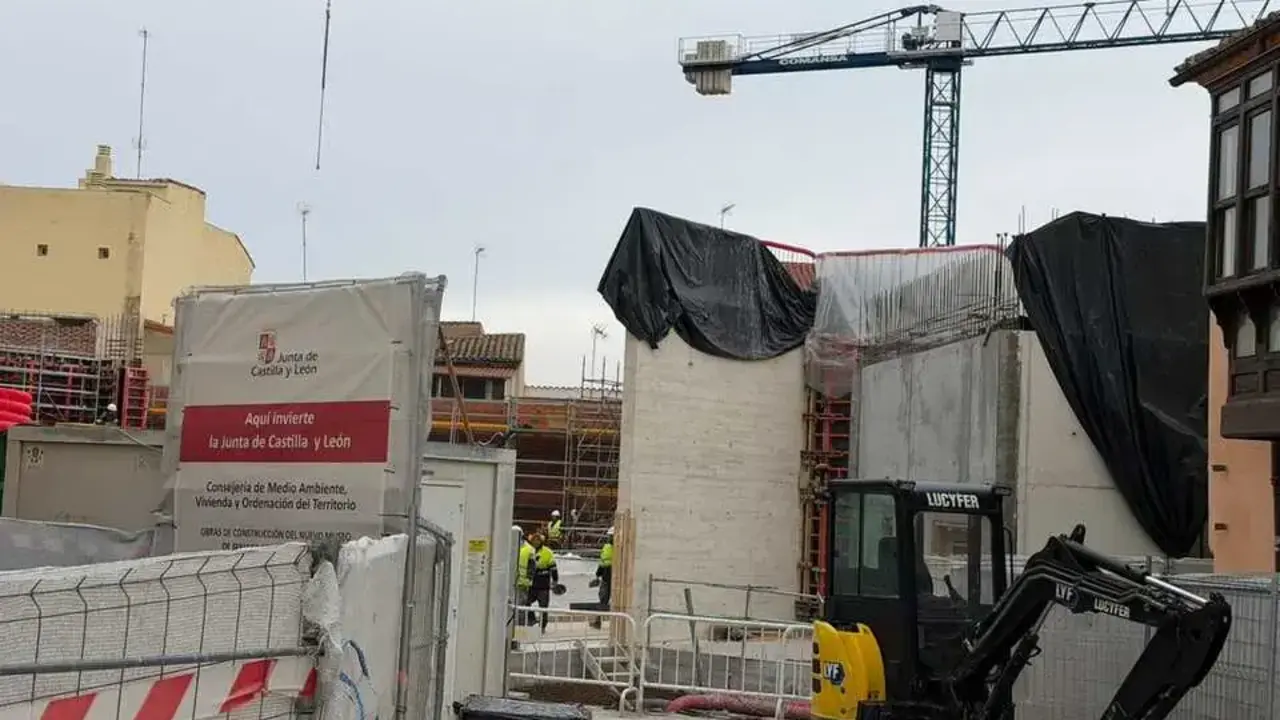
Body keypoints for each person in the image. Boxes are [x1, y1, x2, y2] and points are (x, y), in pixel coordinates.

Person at [526, 532, 559, 632]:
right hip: (530, 584)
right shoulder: (527, 551)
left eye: (538, 540)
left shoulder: (548, 552)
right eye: (534, 540)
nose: (536, 542)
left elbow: (553, 568)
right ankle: (531, 620)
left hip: (543, 585)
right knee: (525, 603)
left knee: (543, 608)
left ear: (541, 541)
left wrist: (555, 580)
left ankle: (542, 626)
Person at [588, 526, 614, 629]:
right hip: (606, 577)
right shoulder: (607, 547)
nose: (609, 538)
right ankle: (597, 621)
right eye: (610, 536)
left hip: (614, 577)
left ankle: (599, 621)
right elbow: (603, 562)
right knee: (603, 599)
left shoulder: (621, 547)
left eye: (611, 536)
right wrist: (598, 575)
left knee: (609, 600)